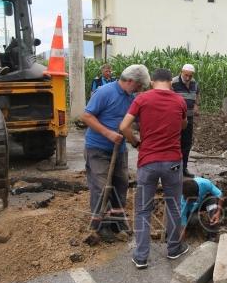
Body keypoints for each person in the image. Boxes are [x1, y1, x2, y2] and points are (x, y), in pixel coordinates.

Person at [119, 68, 189, 269]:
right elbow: (183, 125)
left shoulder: (142, 99)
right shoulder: (179, 101)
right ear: (171, 82)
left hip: (148, 161)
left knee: (143, 209)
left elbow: (124, 127)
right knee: (174, 205)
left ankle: (141, 257)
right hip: (173, 162)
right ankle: (174, 248)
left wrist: (136, 142)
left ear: (152, 83)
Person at [80, 64, 150, 243]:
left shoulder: (130, 97)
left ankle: (116, 222)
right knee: (102, 187)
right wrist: (108, 133)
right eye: (138, 86)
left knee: (120, 185)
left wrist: (136, 140)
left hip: (118, 151)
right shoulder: (104, 92)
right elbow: (86, 116)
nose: (139, 90)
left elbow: (135, 122)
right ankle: (101, 224)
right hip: (97, 148)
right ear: (130, 81)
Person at [171, 63, 200, 176]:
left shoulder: (194, 83)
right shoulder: (173, 83)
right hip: (176, 119)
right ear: (181, 72)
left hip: (189, 118)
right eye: (186, 75)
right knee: (175, 143)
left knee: (186, 144)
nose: (188, 78)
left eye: (190, 76)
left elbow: (197, 95)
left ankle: (184, 168)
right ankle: (174, 169)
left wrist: (197, 105)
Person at [179, 176, 224, 242]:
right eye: (191, 200)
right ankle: (192, 230)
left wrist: (218, 212)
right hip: (191, 211)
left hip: (203, 202)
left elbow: (220, 195)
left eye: (194, 199)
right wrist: (181, 242)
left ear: (198, 193)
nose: (193, 201)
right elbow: (183, 225)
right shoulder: (183, 202)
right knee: (194, 220)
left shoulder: (204, 183)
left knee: (212, 200)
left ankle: (212, 235)